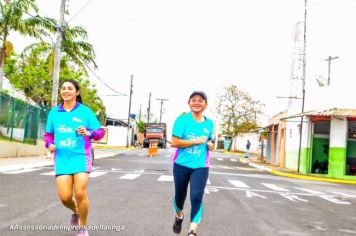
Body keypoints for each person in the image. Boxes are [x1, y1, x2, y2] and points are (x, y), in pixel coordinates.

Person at [44, 79, 105, 236]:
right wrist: (49, 144)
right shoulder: (54, 113)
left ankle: (82, 228)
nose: (66, 91)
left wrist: (88, 132)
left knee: (79, 192)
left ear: (77, 92)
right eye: (63, 88)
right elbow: (48, 135)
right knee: (65, 197)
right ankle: (76, 211)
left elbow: (100, 132)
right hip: (62, 158)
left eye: (70, 88)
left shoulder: (85, 112)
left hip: (81, 157)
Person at [171, 91, 214, 236]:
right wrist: (195, 141)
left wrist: (211, 145)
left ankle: (192, 232)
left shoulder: (209, 123)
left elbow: (211, 140)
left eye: (200, 100)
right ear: (189, 103)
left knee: (196, 197)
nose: (197, 102)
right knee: (179, 197)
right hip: (181, 165)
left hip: (201, 166)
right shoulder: (182, 120)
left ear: (205, 105)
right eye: (193, 100)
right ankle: (179, 217)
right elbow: (175, 142)